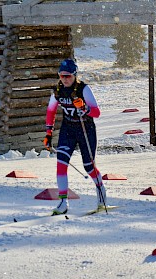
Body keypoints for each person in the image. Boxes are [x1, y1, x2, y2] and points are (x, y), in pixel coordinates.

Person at [43, 58, 107, 215]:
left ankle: (101, 193)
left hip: (86, 129)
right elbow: (51, 111)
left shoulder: (83, 89)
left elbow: (97, 112)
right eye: (62, 76)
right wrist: (48, 133)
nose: (65, 79)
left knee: (89, 166)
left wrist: (85, 108)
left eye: (68, 76)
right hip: (68, 130)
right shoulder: (58, 91)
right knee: (61, 162)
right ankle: (63, 202)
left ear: (74, 75)